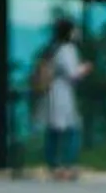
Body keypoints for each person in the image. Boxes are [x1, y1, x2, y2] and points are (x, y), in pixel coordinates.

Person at [35, 14, 90, 180]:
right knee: (71, 129)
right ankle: (67, 165)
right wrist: (85, 68)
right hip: (63, 93)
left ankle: (54, 165)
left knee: (53, 131)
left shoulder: (53, 48)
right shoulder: (68, 49)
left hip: (51, 93)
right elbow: (73, 73)